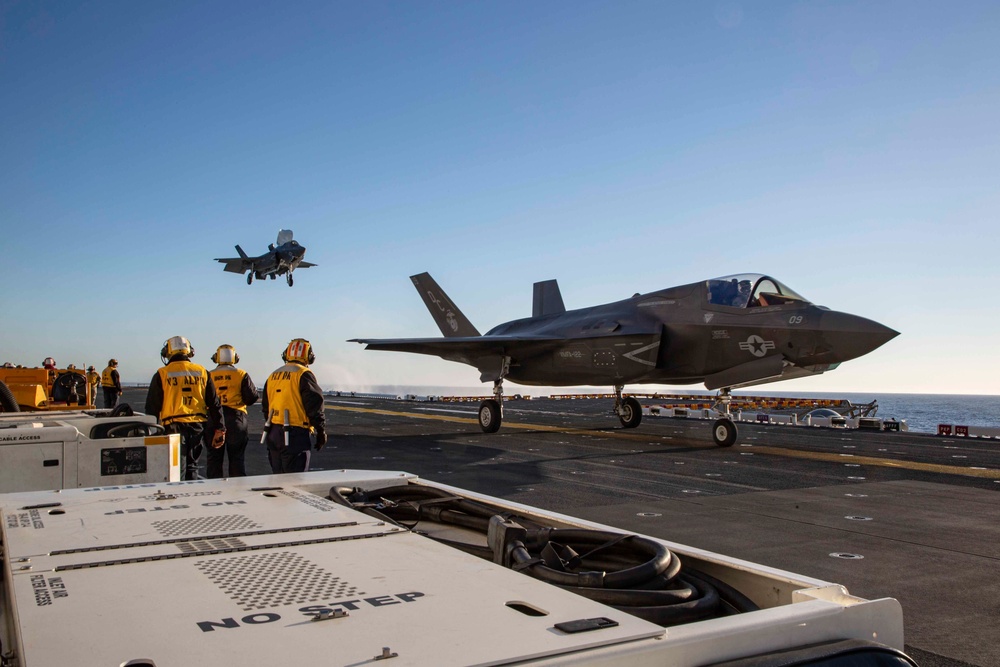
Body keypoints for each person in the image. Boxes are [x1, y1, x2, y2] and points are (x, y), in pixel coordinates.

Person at [145, 336, 224, 480]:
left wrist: (152, 432)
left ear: (167, 352)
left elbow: (152, 407)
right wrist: (220, 428)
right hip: (197, 427)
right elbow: (214, 403)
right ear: (189, 352)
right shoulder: (202, 372)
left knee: (175, 468)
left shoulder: (162, 373)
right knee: (192, 466)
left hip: (173, 427)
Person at [261, 338, 326, 474]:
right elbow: (314, 405)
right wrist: (321, 431)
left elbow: (266, 406)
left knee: (278, 479)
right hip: (295, 435)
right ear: (309, 356)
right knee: (296, 481)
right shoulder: (303, 374)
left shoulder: (273, 375)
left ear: (286, 354)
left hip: (273, 432)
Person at [206, 344, 258, 478]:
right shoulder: (241, 374)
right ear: (235, 358)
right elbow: (251, 398)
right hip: (236, 419)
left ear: (216, 358)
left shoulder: (209, 375)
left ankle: (213, 491)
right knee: (237, 459)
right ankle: (237, 490)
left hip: (213, 418)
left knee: (214, 460)